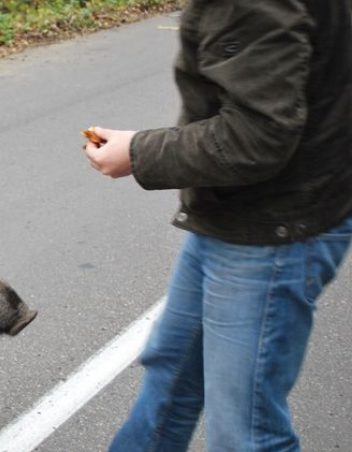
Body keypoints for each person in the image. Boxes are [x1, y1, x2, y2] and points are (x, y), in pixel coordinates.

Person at [81, 1, 352, 451]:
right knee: (172, 376)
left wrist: (139, 152)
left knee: (246, 433)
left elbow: (257, 136)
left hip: (271, 231)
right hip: (240, 216)